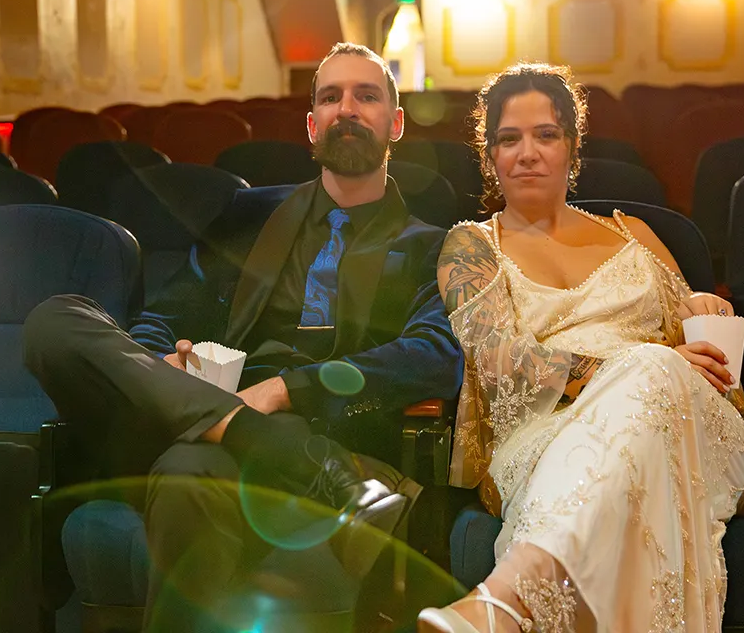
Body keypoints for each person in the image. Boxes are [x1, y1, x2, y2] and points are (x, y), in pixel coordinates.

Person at [23, 42, 462, 630]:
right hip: (210, 417)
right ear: (311, 125)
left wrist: (286, 390)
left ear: (395, 123)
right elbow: (169, 311)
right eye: (330, 98)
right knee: (56, 319)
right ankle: (302, 462)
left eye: (366, 96)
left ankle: (273, 443)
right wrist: (163, 360)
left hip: (320, 424)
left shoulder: (434, 244)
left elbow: (434, 355)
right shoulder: (248, 214)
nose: (346, 109)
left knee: (183, 476)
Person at [418, 64, 744, 633]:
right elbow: (506, 366)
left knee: (652, 367)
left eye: (545, 134)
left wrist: (703, 305)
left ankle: (506, 599)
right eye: (509, 138)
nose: (527, 152)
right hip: (543, 437)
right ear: (491, 156)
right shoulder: (470, 248)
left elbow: (693, 341)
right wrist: (631, 364)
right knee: (647, 365)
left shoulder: (634, 234)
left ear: (572, 148)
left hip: (682, 427)